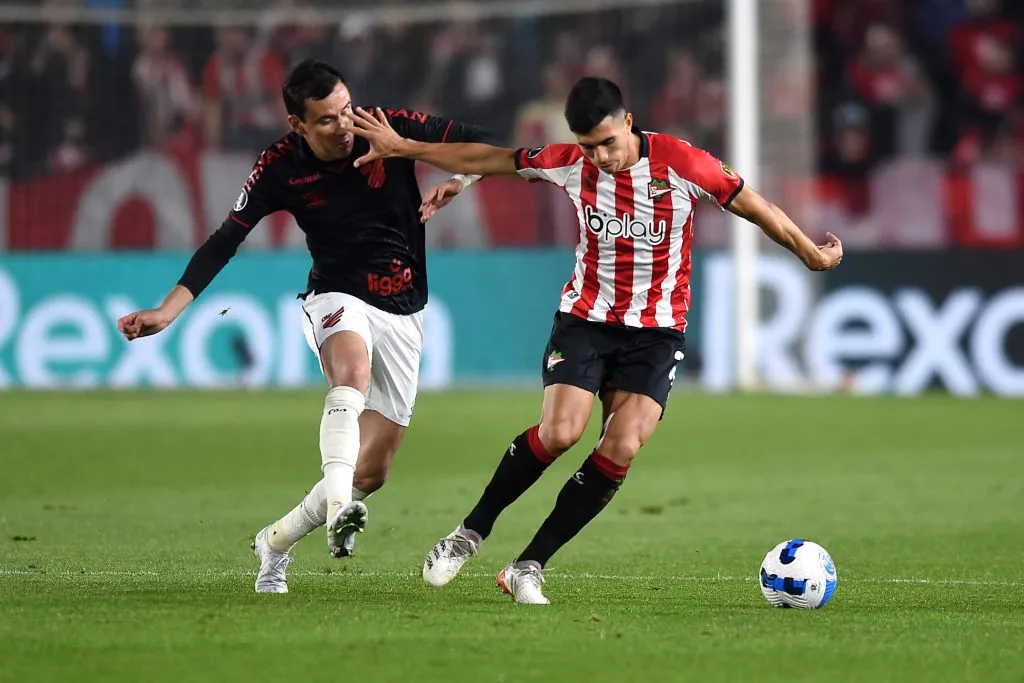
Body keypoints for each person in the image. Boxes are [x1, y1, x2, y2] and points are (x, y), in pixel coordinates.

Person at [344, 76, 843, 605]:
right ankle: (469, 532)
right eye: (588, 147)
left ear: (628, 122)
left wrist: (809, 252)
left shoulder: (683, 164)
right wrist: (407, 149)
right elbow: (494, 158)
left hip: (657, 331)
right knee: (560, 433)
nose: (600, 157)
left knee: (622, 445)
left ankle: (528, 566)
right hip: (586, 320)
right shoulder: (568, 163)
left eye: (607, 143)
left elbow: (755, 206)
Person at [115, 59, 495, 594]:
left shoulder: (386, 126)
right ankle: (340, 509)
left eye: (347, 110)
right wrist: (167, 310)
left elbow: (486, 142)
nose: (345, 126)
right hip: (336, 294)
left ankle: (274, 543)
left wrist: (454, 176)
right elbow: (224, 241)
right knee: (352, 372)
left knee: (372, 473)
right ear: (298, 124)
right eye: (327, 119)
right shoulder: (279, 166)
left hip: (405, 308)